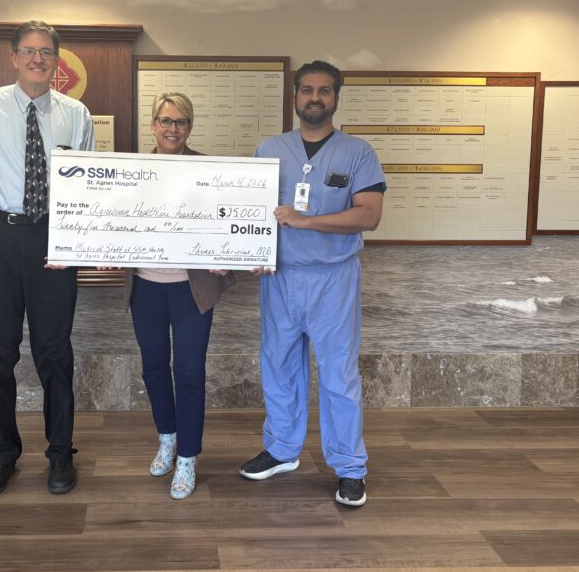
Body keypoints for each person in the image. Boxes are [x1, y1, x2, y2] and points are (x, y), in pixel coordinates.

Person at [0, 20, 94, 498]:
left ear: (58, 61)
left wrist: (76, 244)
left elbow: (88, 188)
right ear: (13, 58)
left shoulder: (77, 114)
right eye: (28, 51)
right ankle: (1, 456)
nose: (37, 59)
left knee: (55, 353)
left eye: (46, 52)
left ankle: (60, 454)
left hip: (54, 235)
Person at [240, 60, 385, 508]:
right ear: (296, 97)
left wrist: (307, 221)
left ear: (336, 98)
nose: (315, 98)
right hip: (280, 277)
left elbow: (369, 215)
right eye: (307, 90)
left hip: (333, 279)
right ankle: (283, 449)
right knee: (279, 367)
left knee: (339, 375)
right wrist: (249, 252)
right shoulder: (269, 149)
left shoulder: (358, 153)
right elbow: (247, 211)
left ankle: (349, 467)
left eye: (325, 90)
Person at [123, 92, 234, 499]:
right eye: (166, 121)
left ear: (190, 127)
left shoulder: (210, 171)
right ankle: (167, 438)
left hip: (191, 290)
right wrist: (98, 251)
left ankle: (187, 456)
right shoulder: (132, 171)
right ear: (153, 125)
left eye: (181, 122)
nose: (173, 129)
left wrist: (228, 257)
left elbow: (229, 221)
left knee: (188, 372)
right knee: (153, 366)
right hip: (146, 286)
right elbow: (111, 220)